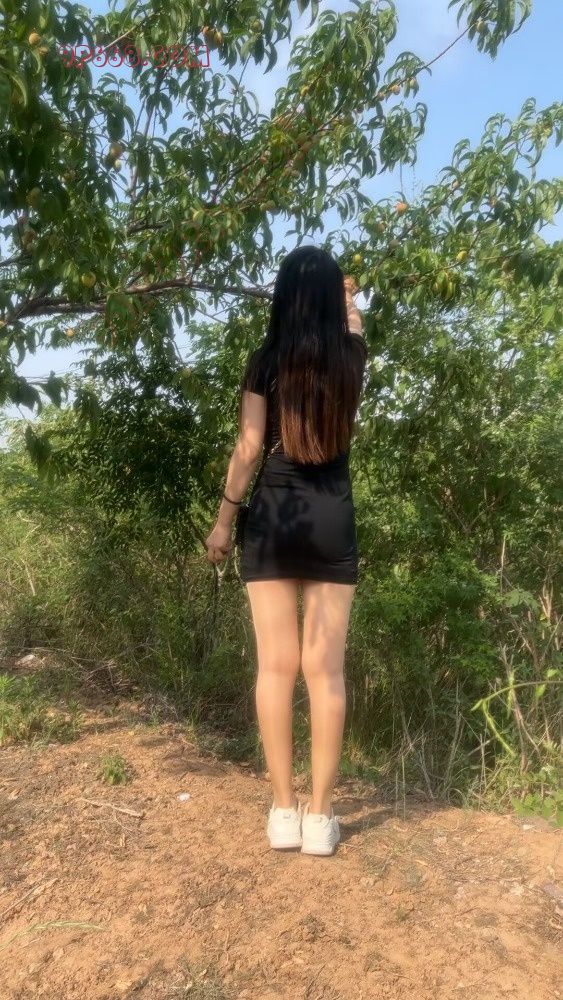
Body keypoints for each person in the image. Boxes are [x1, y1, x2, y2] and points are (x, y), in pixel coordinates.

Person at [205, 246, 367, 856]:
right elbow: (354, 326)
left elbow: (249, 449)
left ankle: (282, 810)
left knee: (275, 666)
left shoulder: (265, 361)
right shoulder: (351, 358)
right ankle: (321, 819)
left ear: (282, 297)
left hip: (274, 516)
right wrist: (349, 302)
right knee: (326, 672)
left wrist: (224, 522)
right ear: (329, 299)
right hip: (330, 518)